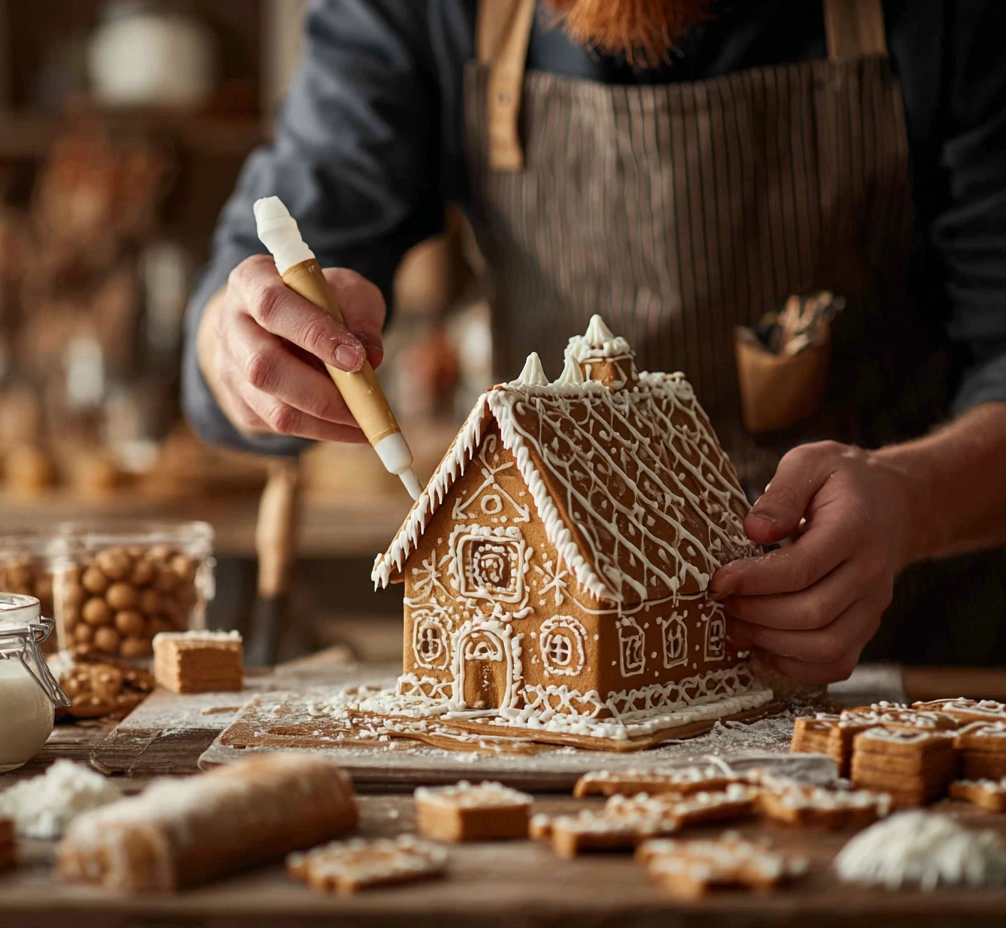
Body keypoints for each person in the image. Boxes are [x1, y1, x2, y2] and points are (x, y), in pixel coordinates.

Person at [184, 0, 1006, 681]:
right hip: (563, 674)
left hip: (907, 670)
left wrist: (914, 502)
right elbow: (273, 267)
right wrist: (243, 348)